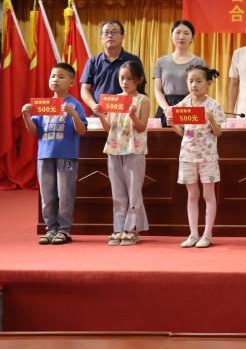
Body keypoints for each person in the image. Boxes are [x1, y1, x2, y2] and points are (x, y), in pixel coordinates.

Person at [21, 63, 87, 245]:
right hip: (45, 156)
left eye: (61, 76)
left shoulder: (75, 104)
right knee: (47, 195)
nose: (55, 80)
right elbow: (35, 132)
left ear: (71, 82)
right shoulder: (44, 105)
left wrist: (73, 114)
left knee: (65, 194)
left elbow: (82, 131)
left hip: (66, 156)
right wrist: (26, 116)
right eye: (52, 76)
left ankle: (64, 230)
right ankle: (50, 228)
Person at [94, 61, 150, 246]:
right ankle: (118, 228)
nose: (125, 82)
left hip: (134, 149)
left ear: (139, 80)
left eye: (129, 79)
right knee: (117, 191)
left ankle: (131, 229)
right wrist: (101, 115)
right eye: (122, 78)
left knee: (134, 191)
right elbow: (109, 128)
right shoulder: (114, 99)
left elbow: (142, 127)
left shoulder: (142, 100)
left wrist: (132, 115)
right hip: (114, 148)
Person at [171, 65, 226, 249]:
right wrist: (172, 123)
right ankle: (193, 234)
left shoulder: (213, 105)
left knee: (208, 194)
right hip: (187, 155)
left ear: (208, 83)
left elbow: (218, 133)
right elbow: (182, 132)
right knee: (192, 194)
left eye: (198, 81)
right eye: (190, 81)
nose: (194, 85)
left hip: (207, 157)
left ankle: (207, 234)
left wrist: (212, 120)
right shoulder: (184, 104)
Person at [80, 19, 145, 113]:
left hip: (126, 113)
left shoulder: (133, 60)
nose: (110, 35)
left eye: (114, 32)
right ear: (101, 37)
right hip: (100, 113)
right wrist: (94, 106)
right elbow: (84, 89)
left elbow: (140, 87)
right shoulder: (93, 62)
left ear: (122, 36)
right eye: (106, 32)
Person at [153, 19, 206, 127]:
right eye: (178, 32)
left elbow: (202, 89)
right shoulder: (161, 61)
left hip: (190, 107)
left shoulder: (199, 62)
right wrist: (167, 109)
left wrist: (178, 108)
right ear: (171, 35)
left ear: (192, 38)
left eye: (186, 33)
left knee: (190, 137)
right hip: (166, 109)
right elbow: (158, 90)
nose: (181, 36)